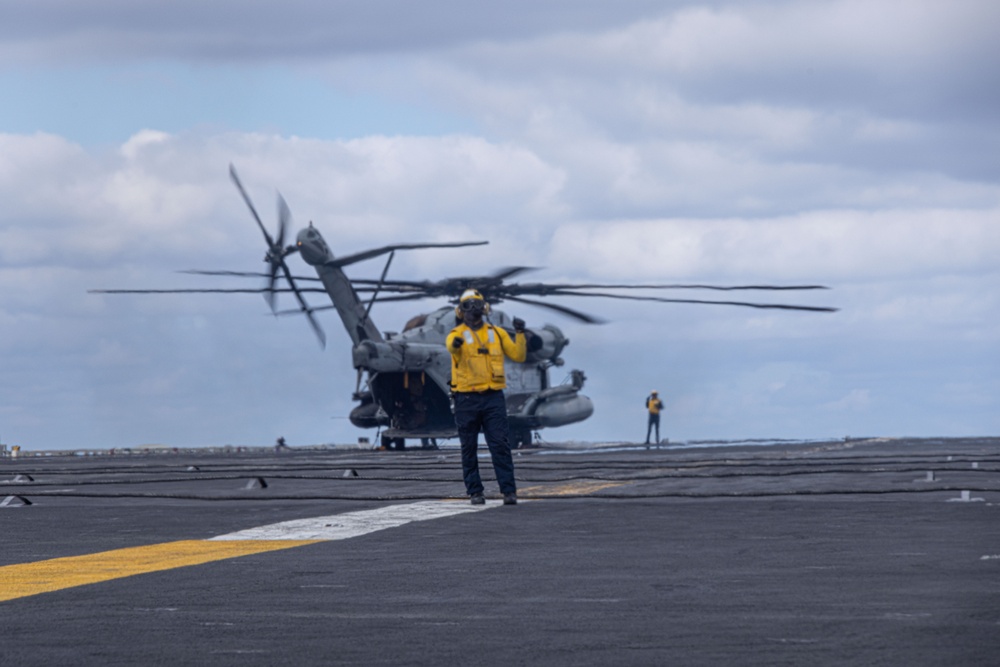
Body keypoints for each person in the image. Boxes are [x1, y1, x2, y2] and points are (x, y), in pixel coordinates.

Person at [446, 289, 527, 505]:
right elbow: (450, 345)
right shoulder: (456, 334)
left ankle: (509, 491)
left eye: (477, 304)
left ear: (485, 308)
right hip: (466, 398)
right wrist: (456, 345)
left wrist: (519, 333)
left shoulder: (497, 333)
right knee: (468, 447)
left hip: (493, 398)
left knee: (500, 443)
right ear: (460, 311)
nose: (473, 309)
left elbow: (518, 355)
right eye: (468, 305)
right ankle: (475, 492)